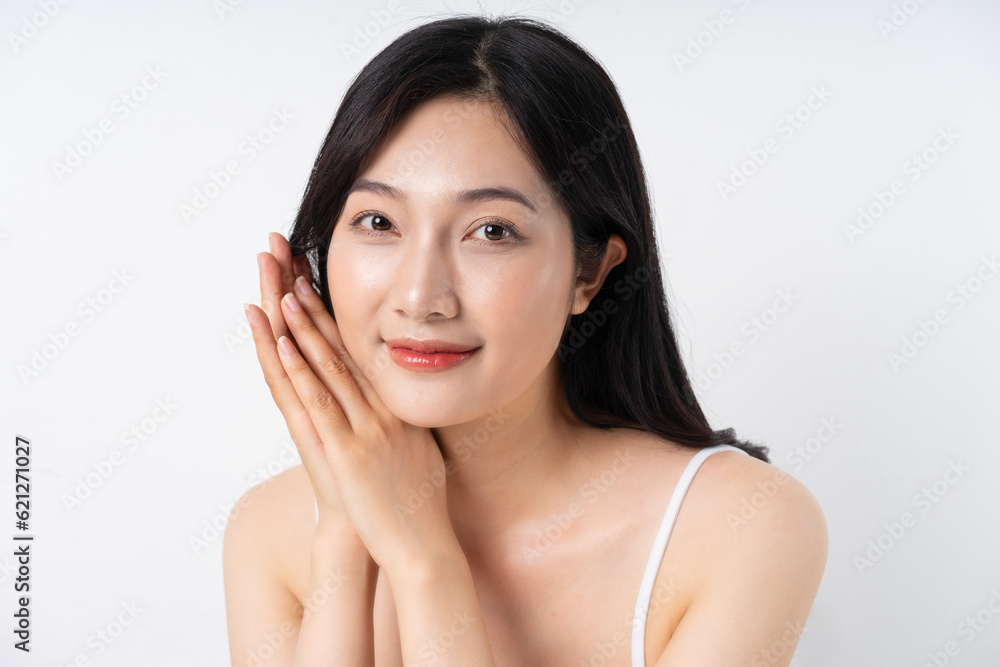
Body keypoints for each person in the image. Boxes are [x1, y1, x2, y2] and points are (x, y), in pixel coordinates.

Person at [224, 13, 827, 667]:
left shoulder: (739, 526)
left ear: (589, 272)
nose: (421, 296)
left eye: (491, 231)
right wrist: (345, 532)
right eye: (378, 221)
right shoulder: (269, 532)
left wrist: (424, 561)